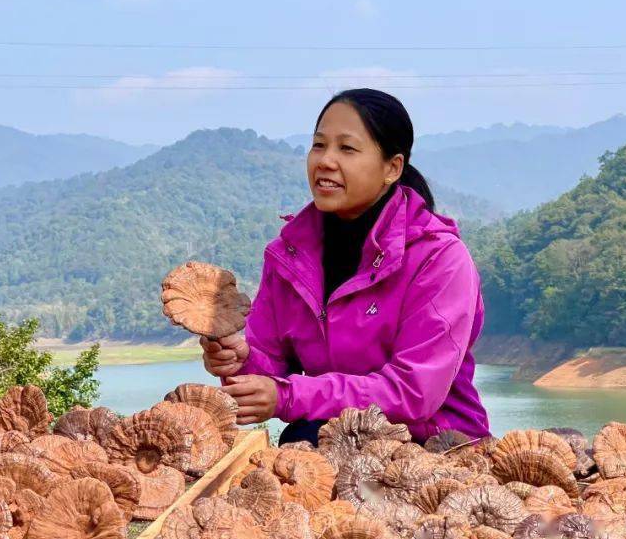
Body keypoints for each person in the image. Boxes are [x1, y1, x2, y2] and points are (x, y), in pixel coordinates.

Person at [202, 88, 489, 444]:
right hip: (335, 438)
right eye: (319, 145)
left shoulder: (439, 259)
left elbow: (415, 393)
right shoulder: (288, 257)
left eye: (347, 148)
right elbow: (273, 369)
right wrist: (241, 361)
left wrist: (290, 397)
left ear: (392, 168)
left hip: (433, 445)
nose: (325, 161)